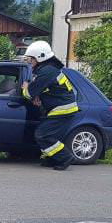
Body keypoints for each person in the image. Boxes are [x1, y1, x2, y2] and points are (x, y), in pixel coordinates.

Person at [21, 40, 77, 171]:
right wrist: (39, 96)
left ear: (40, 57)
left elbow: (28, 94)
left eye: (31, 59)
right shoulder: (48, 69)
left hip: (62, 109)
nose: (30, 62)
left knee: (43, 135)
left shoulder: (46, 72)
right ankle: (52, 159)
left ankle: (65, 157)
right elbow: (46, 89)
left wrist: (26, 87)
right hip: (58, 108)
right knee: (48, 135)